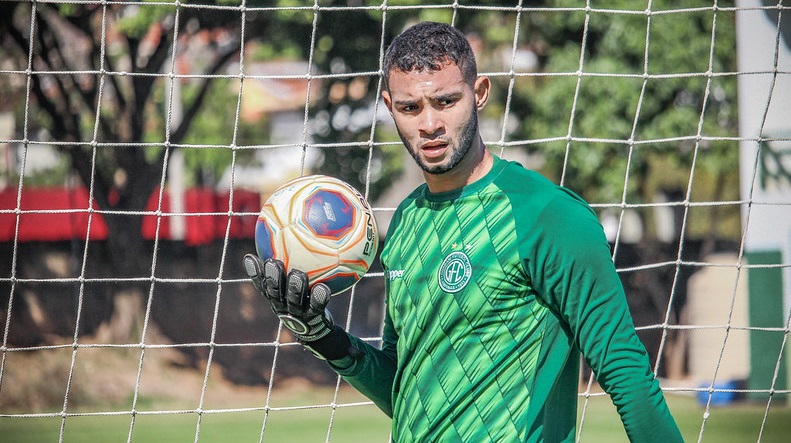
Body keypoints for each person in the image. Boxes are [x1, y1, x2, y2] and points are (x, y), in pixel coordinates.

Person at [244, 21, 684, 442]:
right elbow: (407, 391)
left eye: (446, 101)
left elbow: (626, 373)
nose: (429, 124)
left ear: (480, 93)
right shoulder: (405, 222)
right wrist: (326, 338)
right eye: (410, 107)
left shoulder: (548, 216)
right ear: (389, 106)